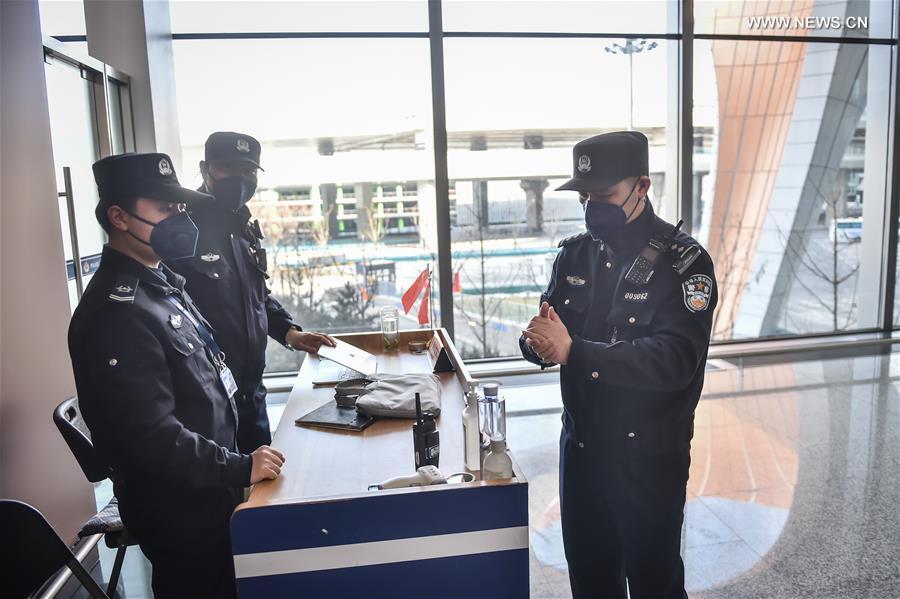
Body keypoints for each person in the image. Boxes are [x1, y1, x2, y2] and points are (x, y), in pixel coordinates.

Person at [68, 152, 286, 598]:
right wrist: (241, 466)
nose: (180, 218)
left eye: (181, 208)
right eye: (164, 209)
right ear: (118, 217)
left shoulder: (161, 283)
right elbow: (152, 438)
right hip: (181, 507)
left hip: (209, 485)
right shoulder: (117, 314)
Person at [520, 131, 718, 599]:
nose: (592, 206)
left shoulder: (685, 264)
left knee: (655, 581)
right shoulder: (577, 253)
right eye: (585, 196)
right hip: (582, 450)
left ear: (642, 186)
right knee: (590, 579)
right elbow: (551, 330)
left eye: (605, 195)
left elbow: (675, 361)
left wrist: (576, 351)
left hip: (647, 459)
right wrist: (538, 344)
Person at [167, 131, 335, 453]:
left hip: (251, 392)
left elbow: (255, 294)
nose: (241, 179)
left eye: (249, 171)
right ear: (205, 169)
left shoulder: (243, 226)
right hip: (208, 400)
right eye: (229, 168)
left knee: (263, 489)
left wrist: (290, 333)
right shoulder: (183, 230)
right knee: (225, 495)